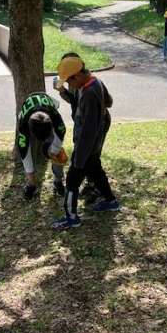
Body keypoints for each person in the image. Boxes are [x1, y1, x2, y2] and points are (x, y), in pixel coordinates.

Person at [52, 55, 120, 230]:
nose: (70, 85)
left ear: (77, 76)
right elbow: (107, 102)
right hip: (93, 144)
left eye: (69, 81)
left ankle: (71, 218)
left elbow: (88, 131)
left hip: (86, 146)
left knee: (72, 180)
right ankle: (111, 201)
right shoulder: (94, 82)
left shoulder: (89, 93)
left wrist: (79, 159)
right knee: (96, 170)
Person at [15, 92, 68, 200]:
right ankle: (31, 185)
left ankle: (58, 181)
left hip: (49, 103)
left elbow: (60, 136)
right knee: (25, 148)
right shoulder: (23, 123)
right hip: (29, 107)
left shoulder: (55, 117)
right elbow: (24, 153)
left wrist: (53, 151)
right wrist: (32, 182)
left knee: (58, 153)